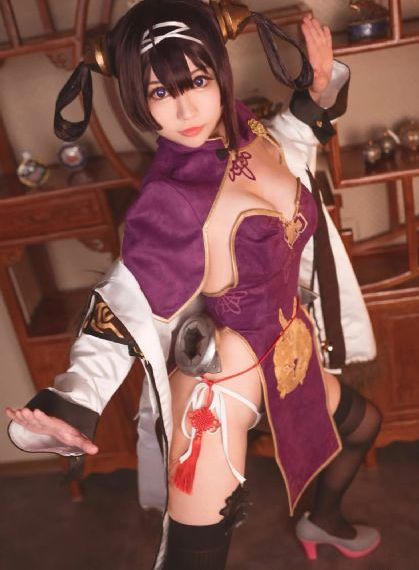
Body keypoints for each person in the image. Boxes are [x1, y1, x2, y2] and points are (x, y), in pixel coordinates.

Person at [5, 1, 381, 568]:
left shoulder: (248, 131)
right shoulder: (172, 198)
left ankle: (322, 519)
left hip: (290, 352)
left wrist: (320, 88)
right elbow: (127, 299)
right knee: (195, 557)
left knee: (363, 425)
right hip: (222, 387)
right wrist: (76, 400)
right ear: (138, 100)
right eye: (160, 92)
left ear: (219, 73)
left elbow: (290, 143)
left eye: (198, 80)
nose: (184, 108)